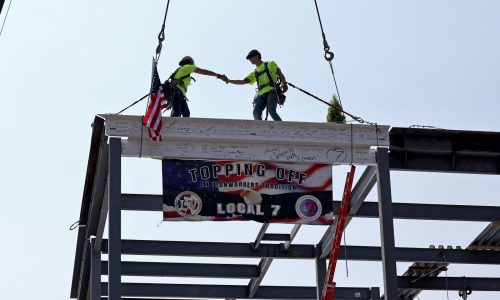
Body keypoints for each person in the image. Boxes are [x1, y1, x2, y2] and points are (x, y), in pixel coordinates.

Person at [226, 49, 288, 121]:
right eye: (249, 58)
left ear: (257, 56)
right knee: (256, 112)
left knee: (272, 111)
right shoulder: (255, 73)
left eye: (251, 57)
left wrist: (284, 83)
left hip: (272, 91)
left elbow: (279, 73)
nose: (250, 59)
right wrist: (229, 80)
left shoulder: (270, 64)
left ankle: (281, 128)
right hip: (261, 94)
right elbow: (242, 81)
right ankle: (260, 129)